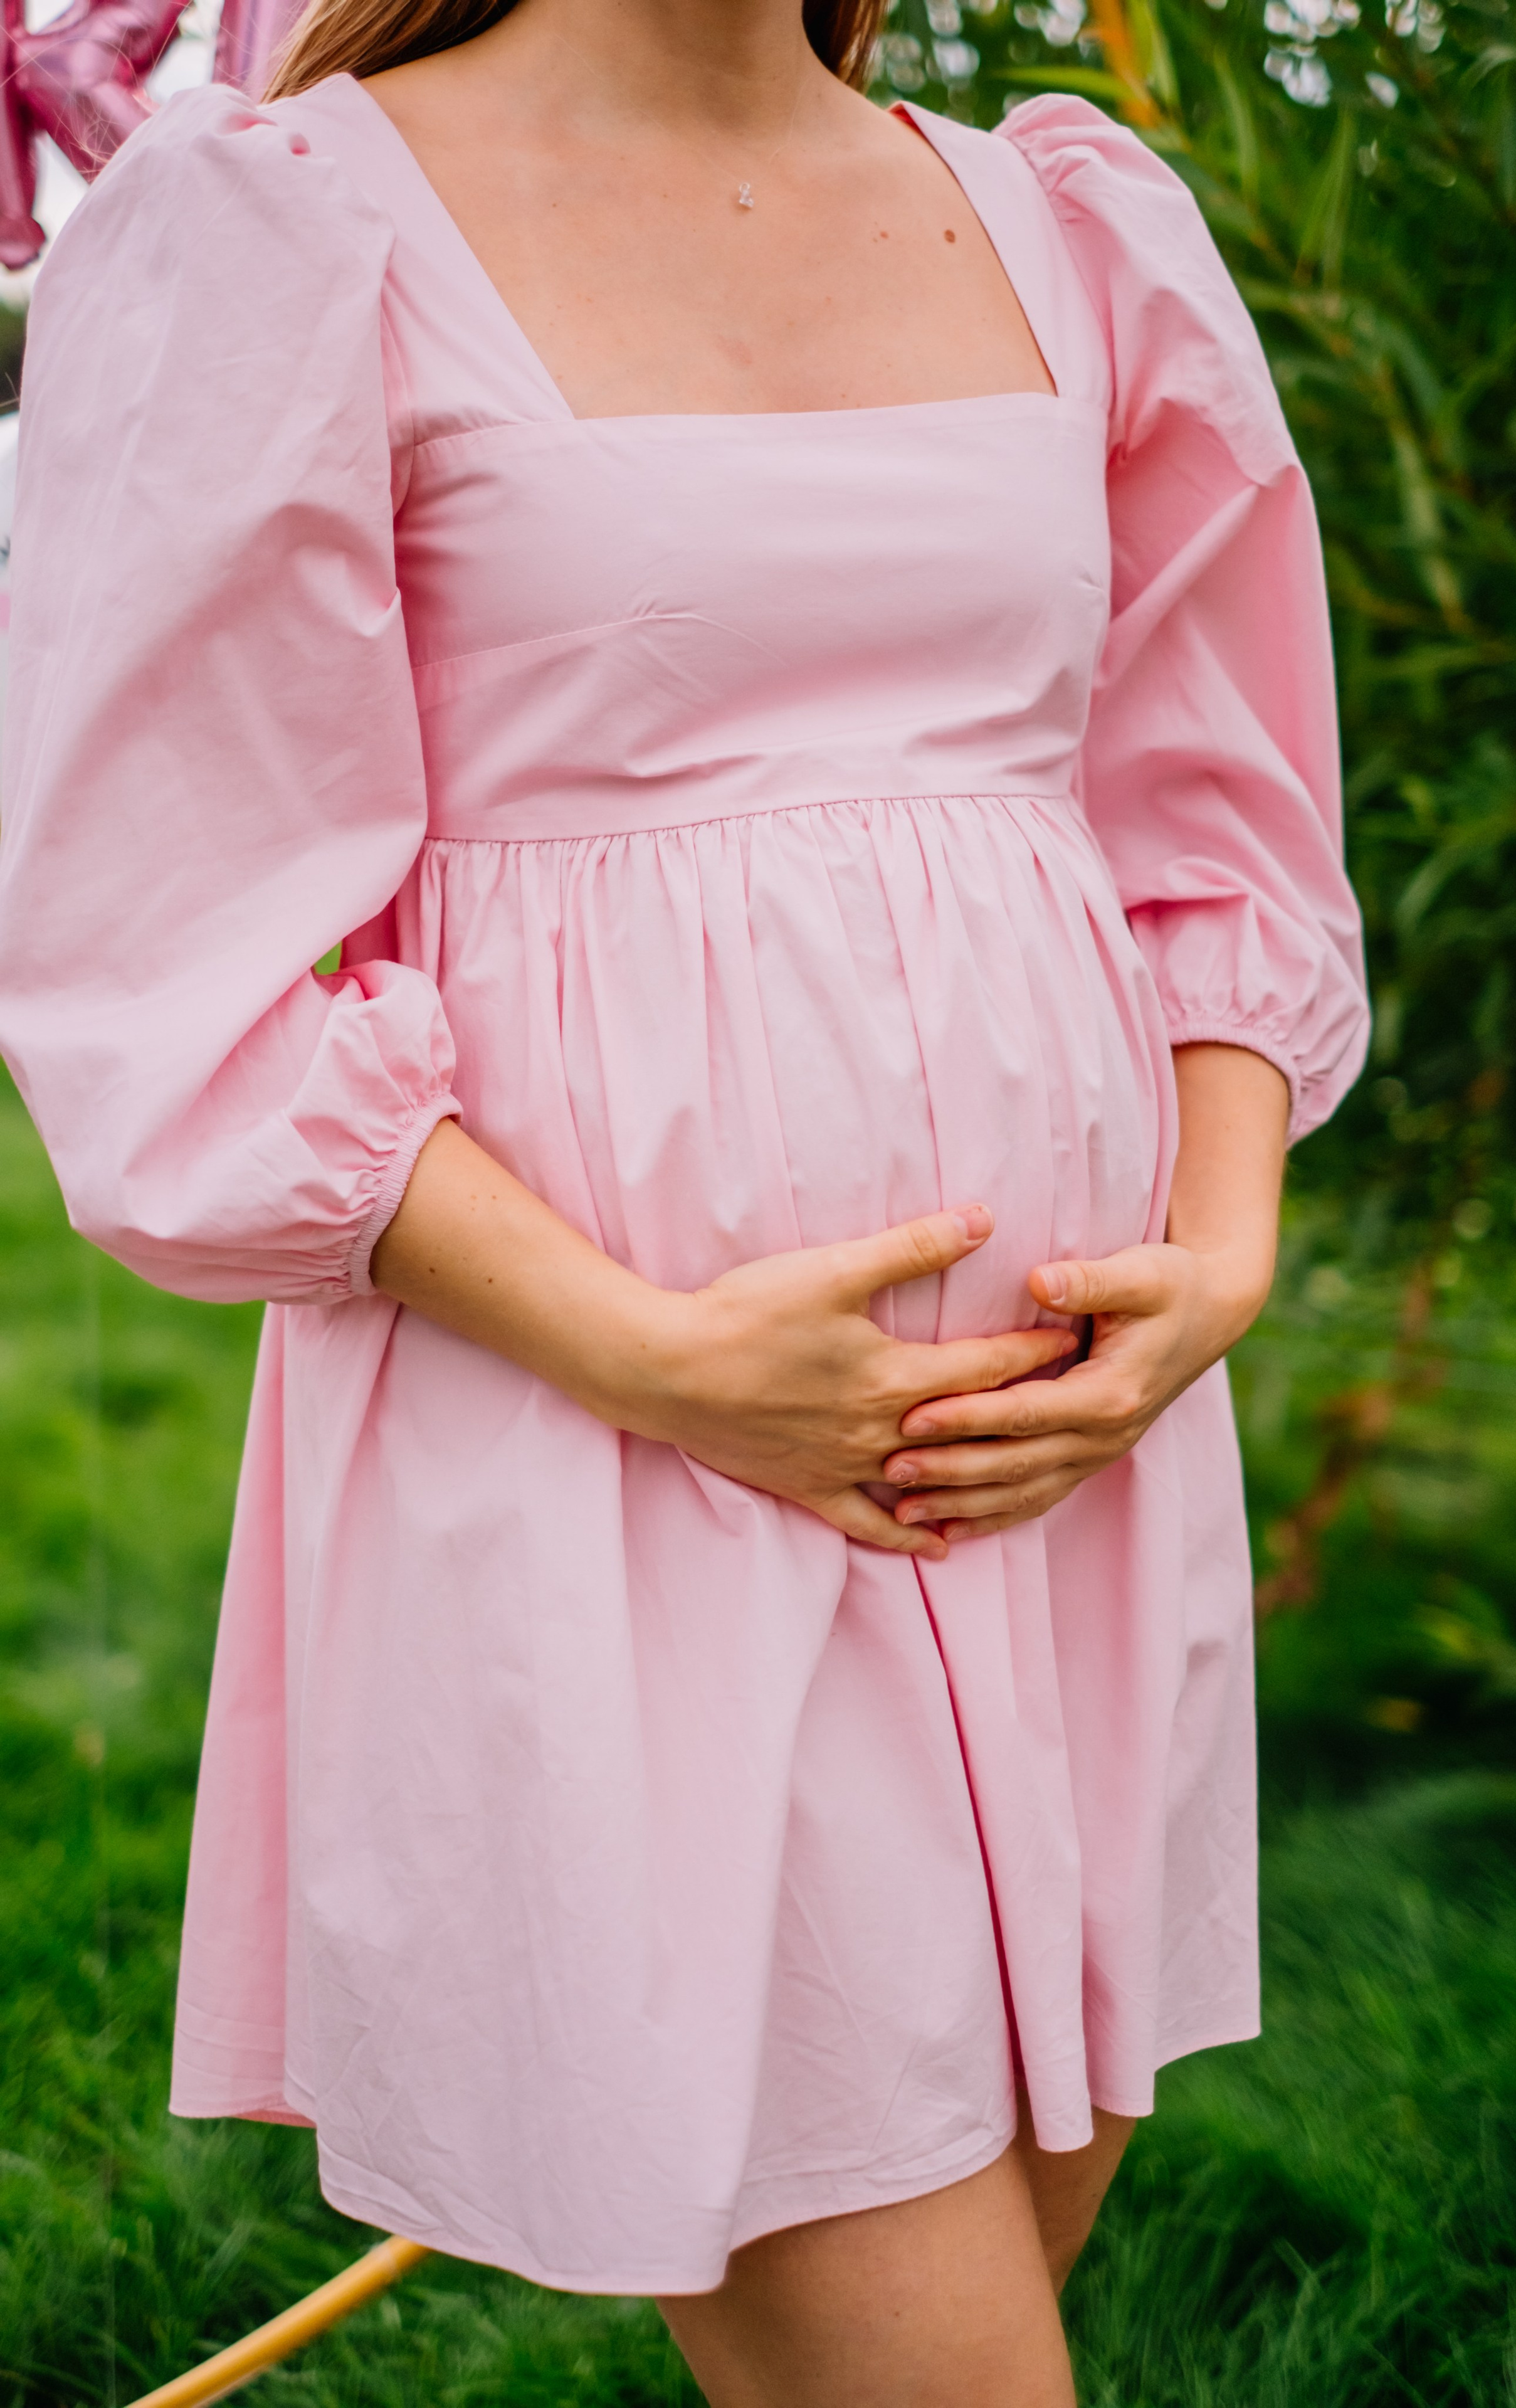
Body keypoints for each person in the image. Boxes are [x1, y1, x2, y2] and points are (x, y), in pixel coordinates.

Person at [0, 0, 1368, 2382]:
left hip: (1061, 1469)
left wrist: (1222, 1259)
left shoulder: (1067, 220)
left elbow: (1217, 809)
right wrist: (664, 1361)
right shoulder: (296, 224)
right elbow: (151, 943)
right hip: (627, 1457)